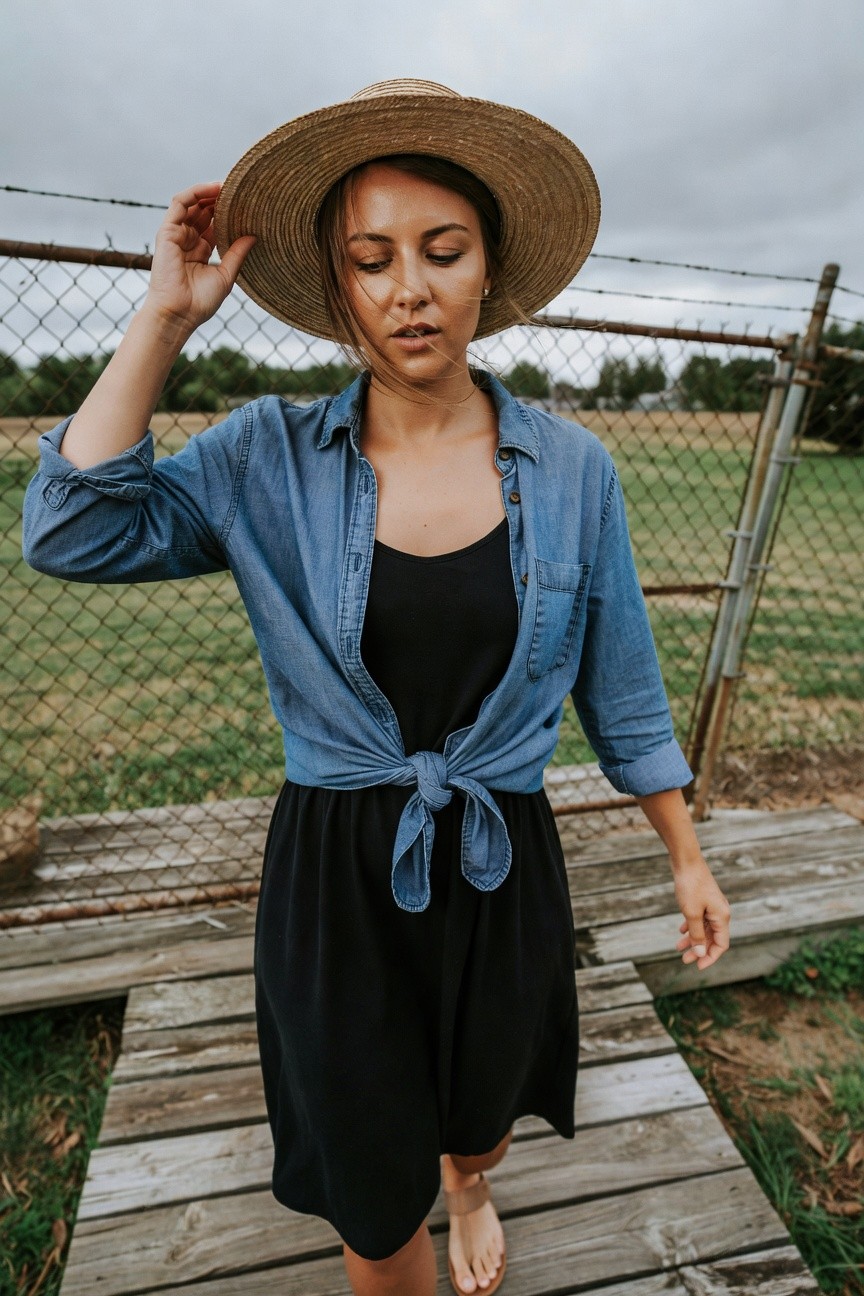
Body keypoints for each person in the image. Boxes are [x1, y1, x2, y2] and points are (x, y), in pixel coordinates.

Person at [22, 79, 731, 1296]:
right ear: (340, 285)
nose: (410, 286)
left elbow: (624, 691)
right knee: (367, 1180)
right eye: (373, 258)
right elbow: (72, 530)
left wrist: (685, 853)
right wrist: (162, 318)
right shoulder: (263, 458)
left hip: (503, 858)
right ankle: (418, 1205)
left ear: (487, 271)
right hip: (338, 875)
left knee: (482, 1109)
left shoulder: (572, 470)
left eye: (441, 251)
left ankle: (472, 1181)